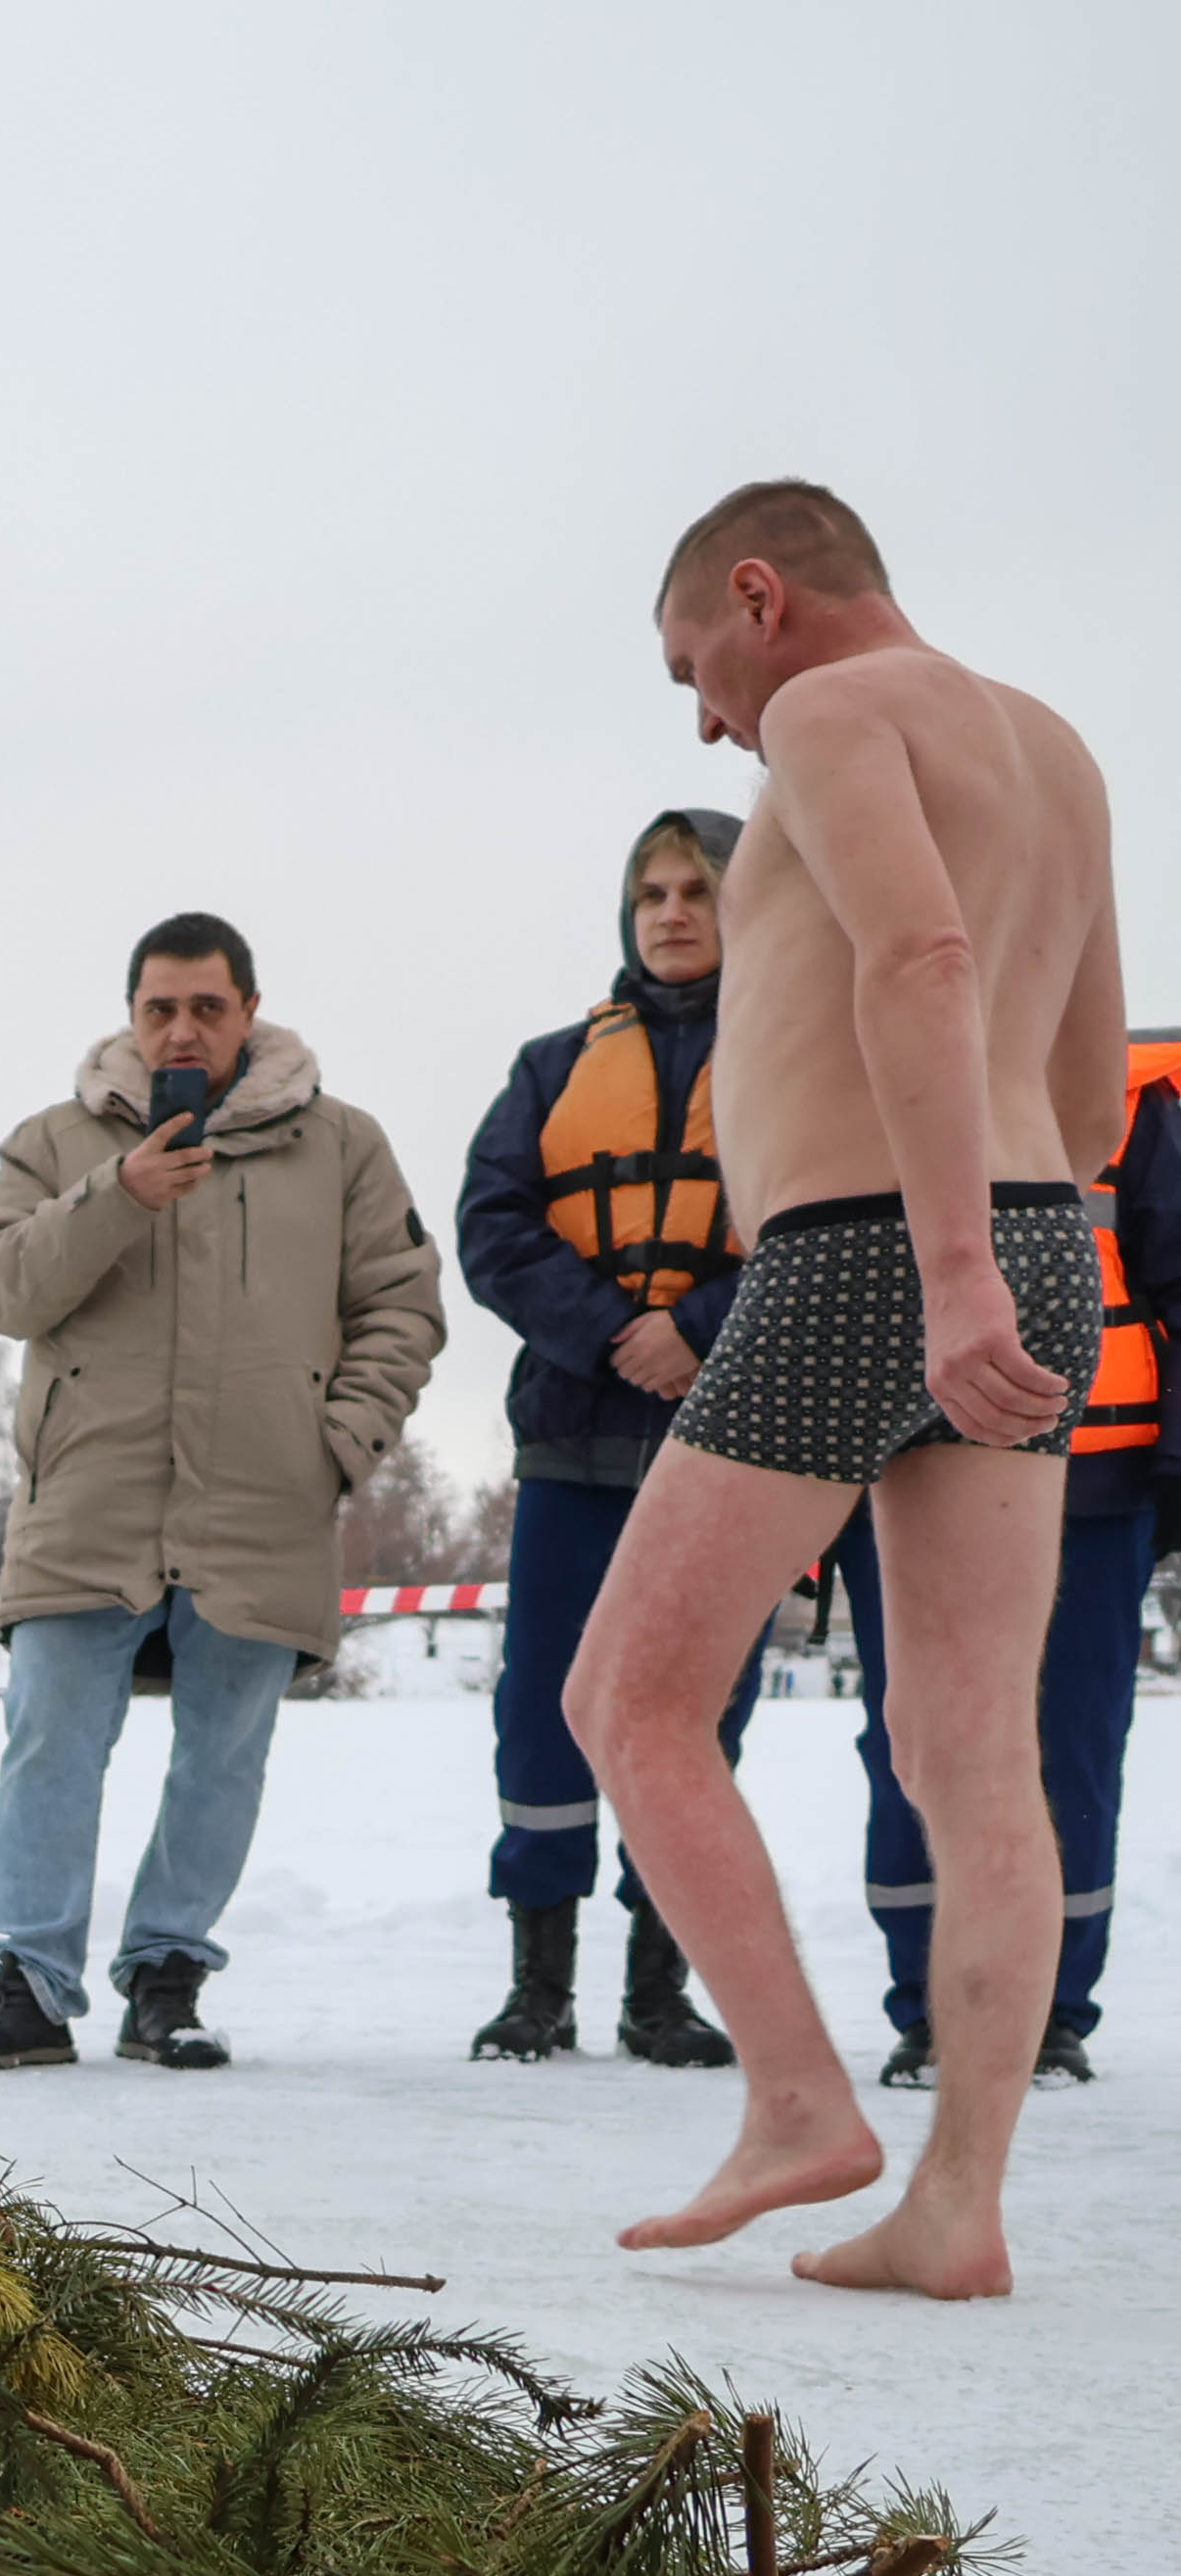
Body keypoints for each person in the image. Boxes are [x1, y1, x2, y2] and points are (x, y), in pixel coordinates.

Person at [560, 480, 1127, 2297]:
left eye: (691, 668)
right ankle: (956, 2206)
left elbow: (924, 958)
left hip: (880, 1250)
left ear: (756, 598)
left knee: (629, 1694)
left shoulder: (824, 708)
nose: (705, 718)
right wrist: (1013, 1251)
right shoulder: (1050, 746)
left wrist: (944, 1265)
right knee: (971, 1745)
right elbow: (1094, 1074)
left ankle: (799, 2099)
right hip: (1041, 1229)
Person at [0, 913, 444, 2074]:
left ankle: (168, 1974)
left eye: (207, 1006)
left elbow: (404, 1306)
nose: (183, 1027)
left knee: (225, 1750)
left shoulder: (345, 1145)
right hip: (86, 1501)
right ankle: (29, 1985)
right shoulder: (54, 1141)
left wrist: (337, 1443)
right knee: (50, 1738)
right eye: (160, 1006)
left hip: (263, 1502)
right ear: (131, 1015)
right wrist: (118, 1192)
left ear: (250, 1012)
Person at [449, 810, 762, 2065]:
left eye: (700, 890)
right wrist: (612, 1332)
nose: (674, 912)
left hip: (732, 1444)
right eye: (653, 892)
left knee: (701, 1713)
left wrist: (695, 1327)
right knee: (544, 1710)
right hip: (575, 1440)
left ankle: (658, 1987)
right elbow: (493, 1224)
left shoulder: (806, 1059)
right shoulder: (552, 1065)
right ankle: (540, 1984)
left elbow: (830, 1222)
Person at [819, 1025, 1174, 2089]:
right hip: (906, 1470)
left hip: (1092, 1486)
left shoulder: (1132, 1092)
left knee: (1070, 1752)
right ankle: (928, 2009)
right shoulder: (854, 1064)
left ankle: (1051, 2011)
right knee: (915, 1749)